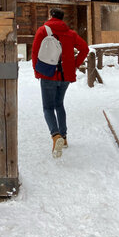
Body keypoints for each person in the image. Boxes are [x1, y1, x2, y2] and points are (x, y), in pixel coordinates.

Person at [32, 8, 89, 158]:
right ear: (62, 19)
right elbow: (85, 49)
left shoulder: (42, 31)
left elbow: (35, 52)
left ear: (50, 16)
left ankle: (55, 135)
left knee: (48, 107)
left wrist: (37, 71)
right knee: (59, 104)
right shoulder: (71, 34)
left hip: (48, 74)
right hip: (65, 76)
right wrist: (74, 64)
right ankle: (63, 138)